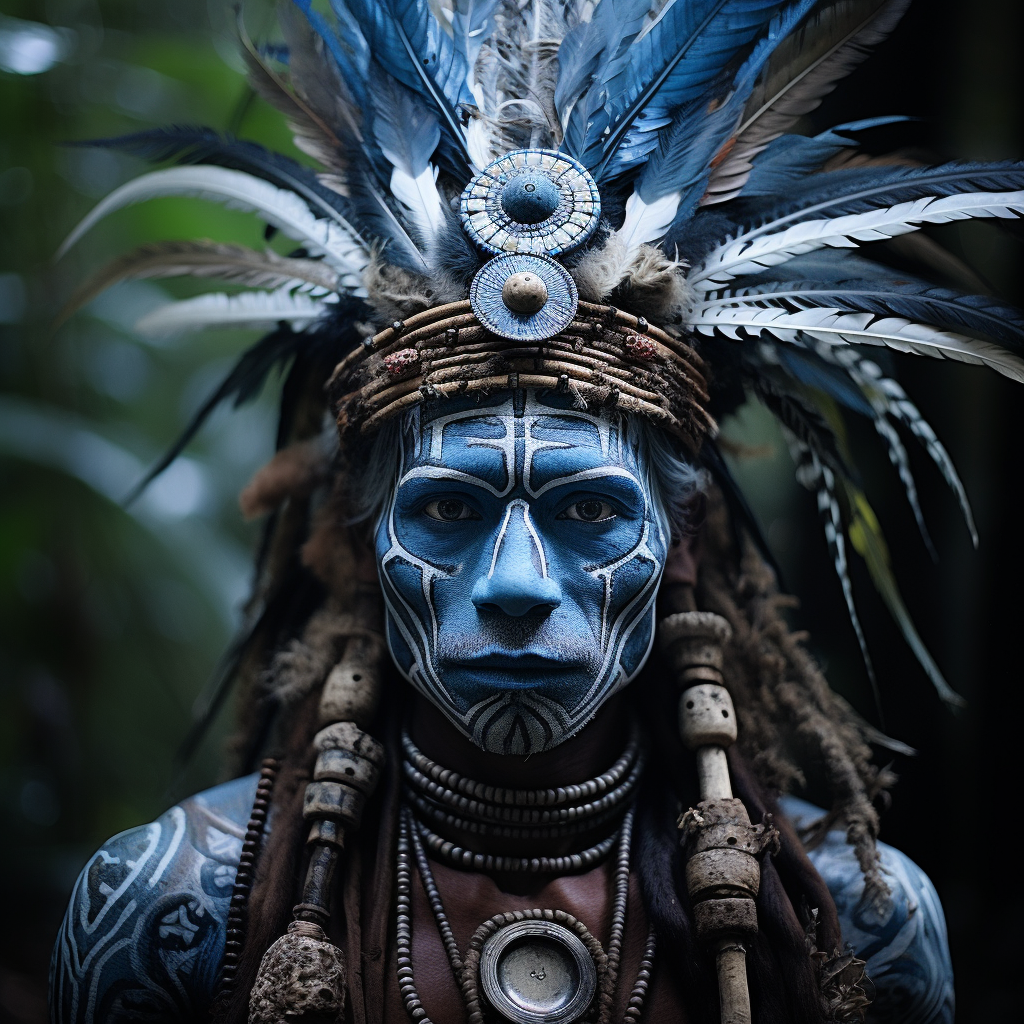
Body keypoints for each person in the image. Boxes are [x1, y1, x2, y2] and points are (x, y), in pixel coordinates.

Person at [52, 0, 1021, 1020]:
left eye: (592, 509)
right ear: (357, 535)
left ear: (680, 541)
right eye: (450, 511)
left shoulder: (865, 928)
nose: (515, 583)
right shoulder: (169, 911)